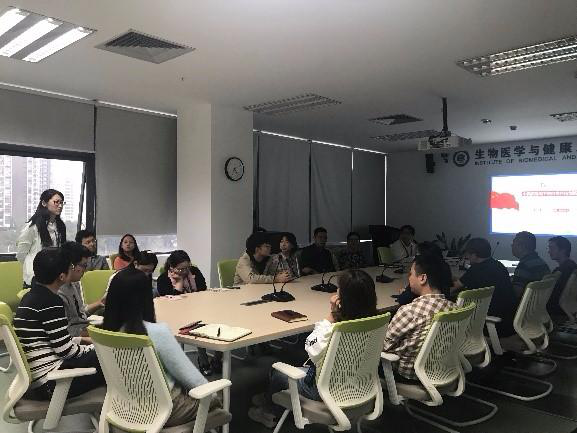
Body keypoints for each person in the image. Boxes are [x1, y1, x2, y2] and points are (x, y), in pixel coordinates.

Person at [248, 269, 378, 427]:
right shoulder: (376, 323)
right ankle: (267, 398)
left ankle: (269, 412)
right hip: (360, 385)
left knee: (277, 373)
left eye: (339, 289)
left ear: (343, 299)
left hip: (325, 391)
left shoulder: (336, 329)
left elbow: (311, 349)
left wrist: (331, 316)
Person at [102, 266, 219, 427]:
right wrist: (213, 396)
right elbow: (192, 379)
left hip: (124, 407)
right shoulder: (156, 332)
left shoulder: (106, 332)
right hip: (163, 411)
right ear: (146, 298)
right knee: (216, 400)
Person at [13, 248, 104, 400]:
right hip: (52, 383)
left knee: (101, 353)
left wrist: (83, 341)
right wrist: (93, 348)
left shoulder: (30, 297)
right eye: (71, 267)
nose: (73, 269)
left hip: (38, 379)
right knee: (111, 356)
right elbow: (66, 351)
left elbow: (55, 341)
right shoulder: (51, 302)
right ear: (61, 276)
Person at [383, 254, 455, 381]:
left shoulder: (410, 312)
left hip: (410, 376)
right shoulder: (454, 308)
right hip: (442, 370)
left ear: (422, 278)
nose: (409, 278)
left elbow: (384, 346)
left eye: (411, 274)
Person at [453, 238, 517, 337]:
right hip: (508, 321)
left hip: (488, 322)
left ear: (474, 255)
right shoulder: (499, 265)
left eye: (468, 254)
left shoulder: (475, 270)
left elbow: (453, 288)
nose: (467, 257)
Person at [16, 189, 67, 287]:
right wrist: (31, 265)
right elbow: (21, 254)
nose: (60, 206)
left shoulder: (60, 226)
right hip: (34, 278)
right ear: (44, 203)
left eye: (62, 202)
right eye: (56, 202)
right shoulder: (33, 226)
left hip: (54, 277)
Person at [58, 242, 104, 338]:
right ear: (71, 265)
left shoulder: (73, 284)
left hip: (84, 329)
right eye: (84, 265)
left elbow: (80, 314)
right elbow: (67, 331)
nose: (85, 270)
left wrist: (100, 303)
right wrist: (97, 336)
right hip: (78, 338)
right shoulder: (59, 292)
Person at [396, 241, 452, 306]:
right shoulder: (445, 268)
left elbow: (403, 299)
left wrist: (403, 292)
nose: (415, 258)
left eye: (417, 255)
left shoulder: (424, 272)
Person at [511, 231, 550, 297]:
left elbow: (515, 293)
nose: (511, 245)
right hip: (537, 301)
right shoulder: (541, 262)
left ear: (522, 246)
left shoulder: (524, 266)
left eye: (514, 243)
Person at [547, 236, 577, 317]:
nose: (549, 251)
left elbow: (551, 295)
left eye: (552, 248)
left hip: (556, 312)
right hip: (568, 311)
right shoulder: (573, 267)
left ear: (563, 250)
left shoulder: (561, 271)